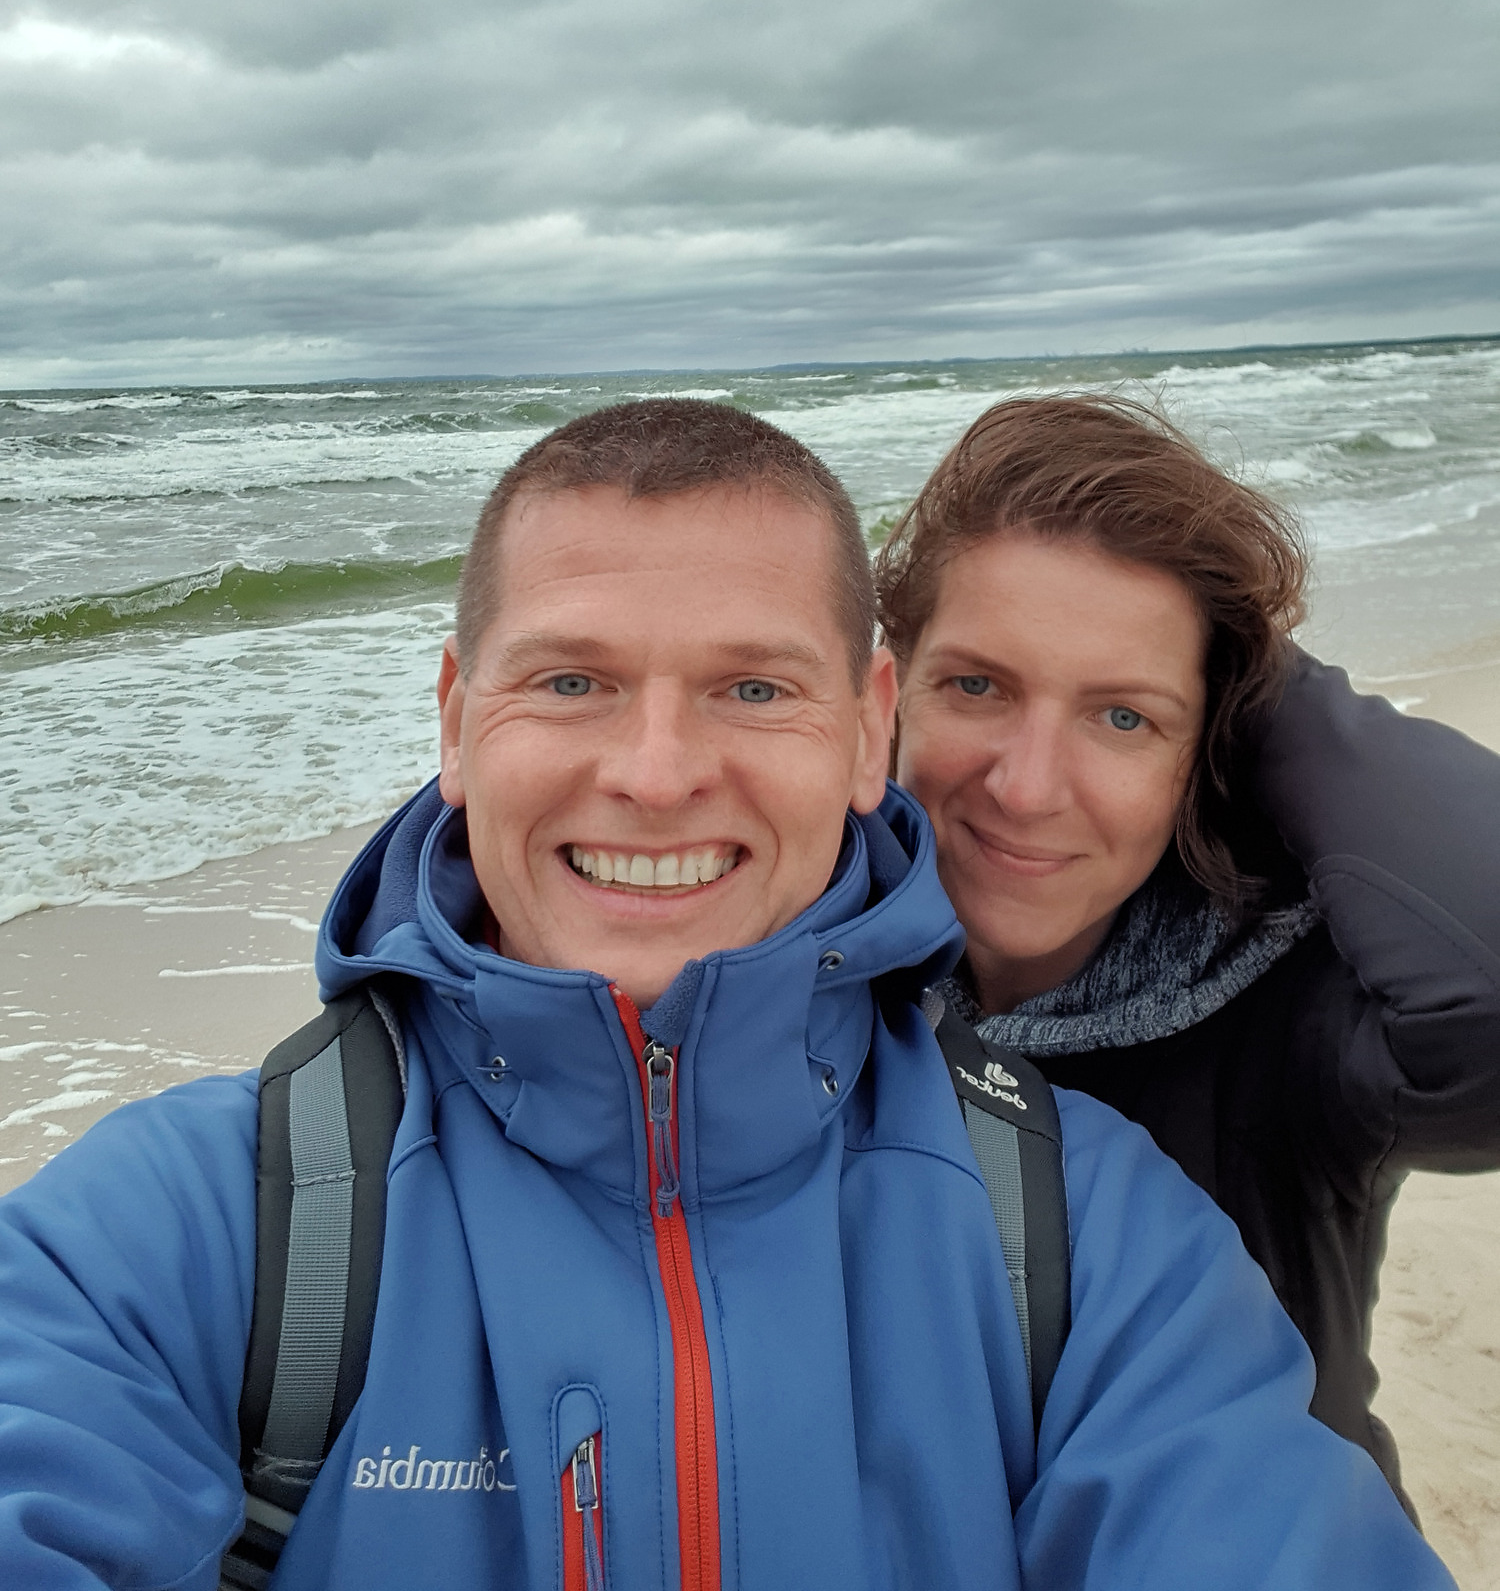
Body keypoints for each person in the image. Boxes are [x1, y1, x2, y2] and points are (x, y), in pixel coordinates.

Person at [0, 399, 1454, 1591]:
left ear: (867, 729)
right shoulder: (188, 1229)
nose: (654, 773)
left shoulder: (1096, 1240)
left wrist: (1237, 652)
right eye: (569, 681)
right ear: (454, 718)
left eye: (754, 688)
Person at [877, 391, 1500, 1505]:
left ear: (1213, 749)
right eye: (976, 685)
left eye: (1124, 717)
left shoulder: (1300, 1013)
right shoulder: (799, 978)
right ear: (890, 693)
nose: (1027, 787)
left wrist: (1261, 673)